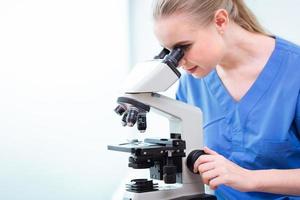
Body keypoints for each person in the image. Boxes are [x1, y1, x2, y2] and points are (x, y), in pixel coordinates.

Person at [153, 0, 300, 199]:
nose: (179, 62)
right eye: (171, 52)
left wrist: (250, 178)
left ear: (221, 21)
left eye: (184, 47)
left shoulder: (294, 71)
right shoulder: (192, 83)